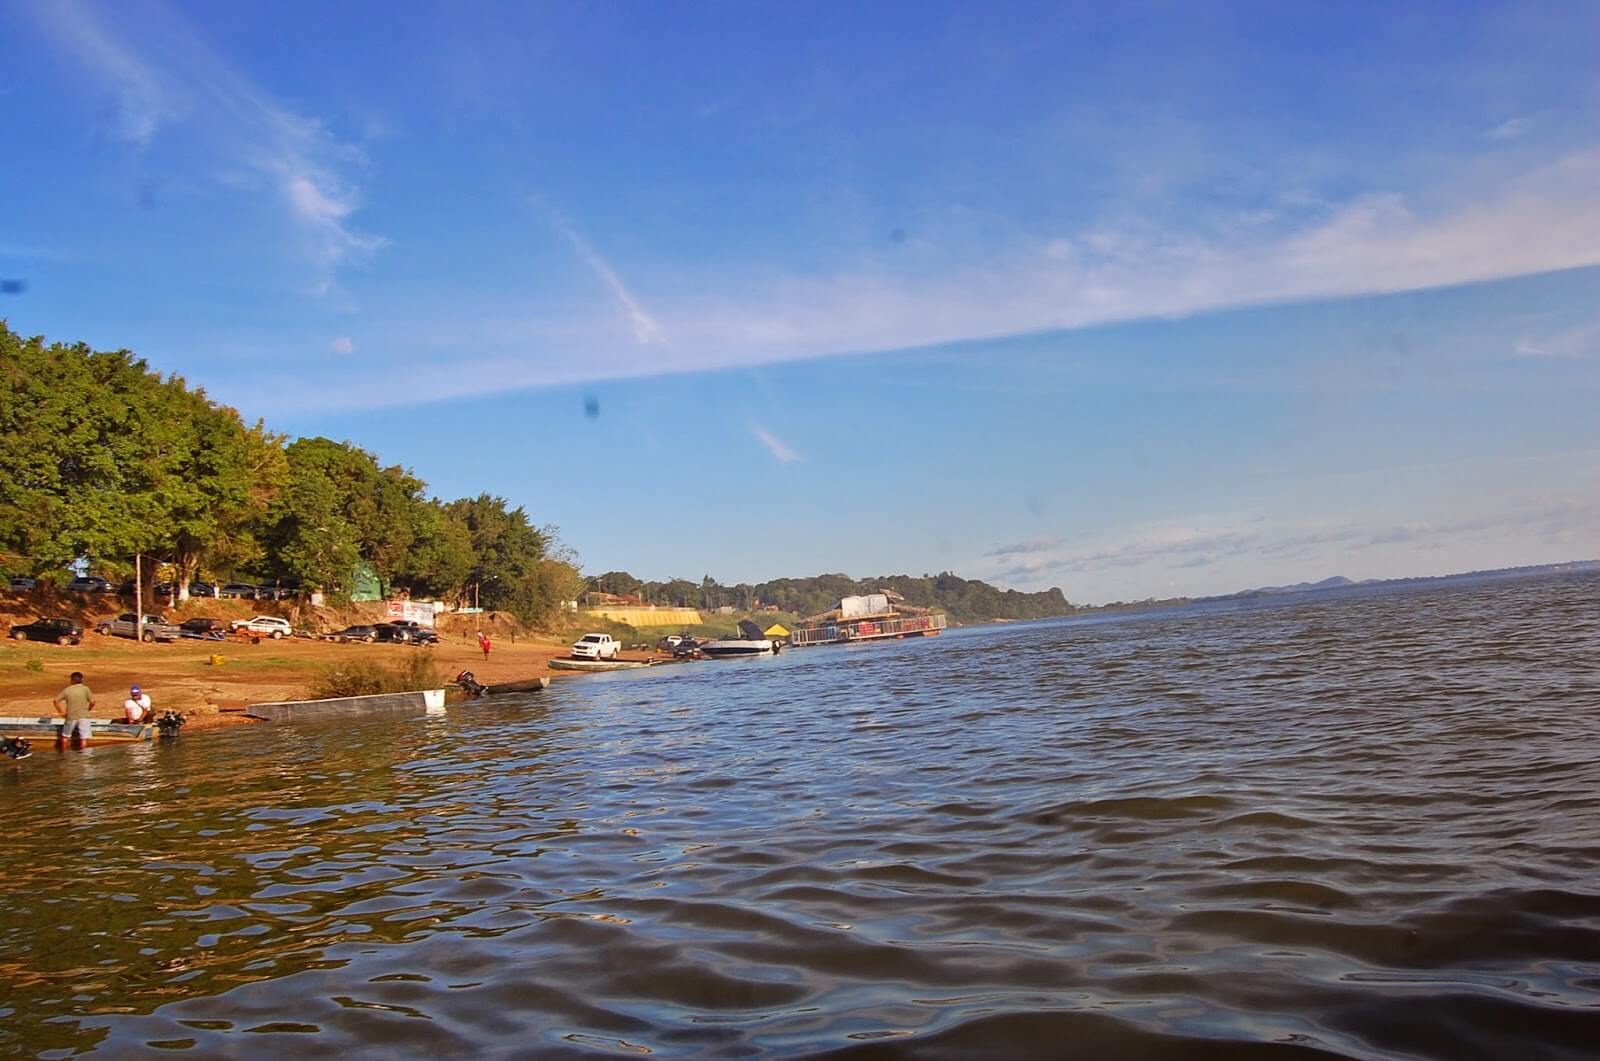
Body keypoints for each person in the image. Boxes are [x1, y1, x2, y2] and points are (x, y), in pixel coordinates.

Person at [52, 672, 95, 747]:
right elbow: (93, 702)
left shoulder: (67, 690)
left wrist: (61, 712)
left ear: (71, 680)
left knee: (65, 736)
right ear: (82, 679)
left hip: (71, 716)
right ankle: (83, 756)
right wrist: (88, 709)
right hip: (83, 716)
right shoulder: (85, 689)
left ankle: (64, 754)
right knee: (83, 738)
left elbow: (56, 701)